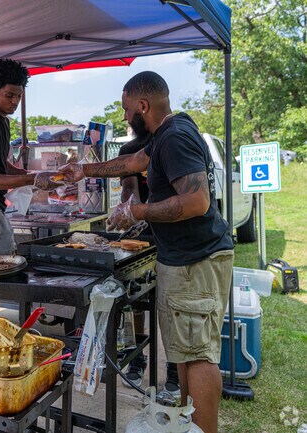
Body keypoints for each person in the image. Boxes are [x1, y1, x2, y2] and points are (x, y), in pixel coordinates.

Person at [59, 71, 233, 433]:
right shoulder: (165, 134)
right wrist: (82, 170)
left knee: (198, 356)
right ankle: (191, 426)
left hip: (196, 261)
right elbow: (133, 162)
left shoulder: (175, 138)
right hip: (185, 260)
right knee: (185, 353)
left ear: (143, 105)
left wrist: (136, 211)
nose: (124, 117)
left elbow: (198, 201)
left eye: (126, 110)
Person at [0, 58, 62, 318]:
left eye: (18, 95)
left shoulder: (2, 123)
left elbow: (2, 166)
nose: (14, 101)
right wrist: (29, 180)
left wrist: (36, 174)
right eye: (9, 95)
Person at [117, 133, 181, 398]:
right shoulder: (129, 149)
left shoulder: (169, 143)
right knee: (136, 295)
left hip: (172, 234)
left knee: (170, 301)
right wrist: (127, 210)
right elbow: (129, 188)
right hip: (141, 232)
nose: (127, 116)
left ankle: (176, 367)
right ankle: (137, 358)